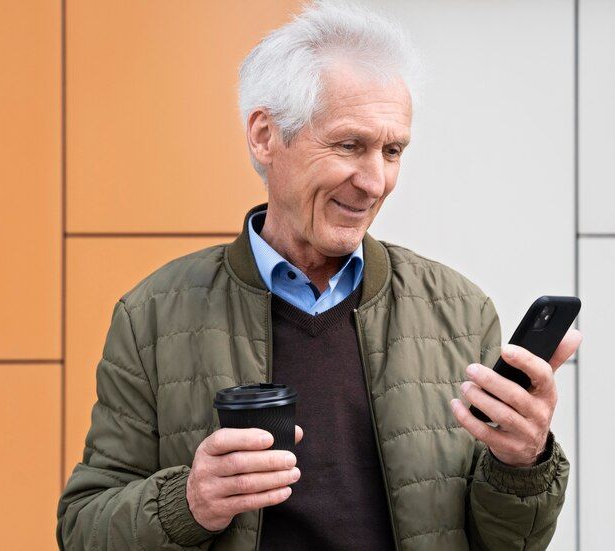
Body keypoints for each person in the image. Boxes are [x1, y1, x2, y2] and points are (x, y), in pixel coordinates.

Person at [56, 1, 582, 550]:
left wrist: (522, 462)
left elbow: (505, 544)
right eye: (350, 145)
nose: (375, 181)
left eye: (393, 150)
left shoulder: (460, 309)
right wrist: (188, 502)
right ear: (264, 136)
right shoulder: (153, 317)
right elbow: (83, 529)